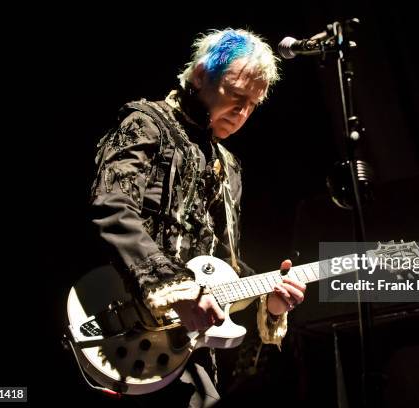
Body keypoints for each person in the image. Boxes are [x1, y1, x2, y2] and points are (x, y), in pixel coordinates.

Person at [90, 28, 306, 407]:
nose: (241, 113)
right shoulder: (146, 122)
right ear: (201, 75)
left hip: (185, 350)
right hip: (120, 327)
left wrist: (268, 299)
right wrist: (180, 293)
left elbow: (222, 262)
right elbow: (113, 205)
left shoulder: (229, 165)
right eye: (236, 96)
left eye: (252, 104)